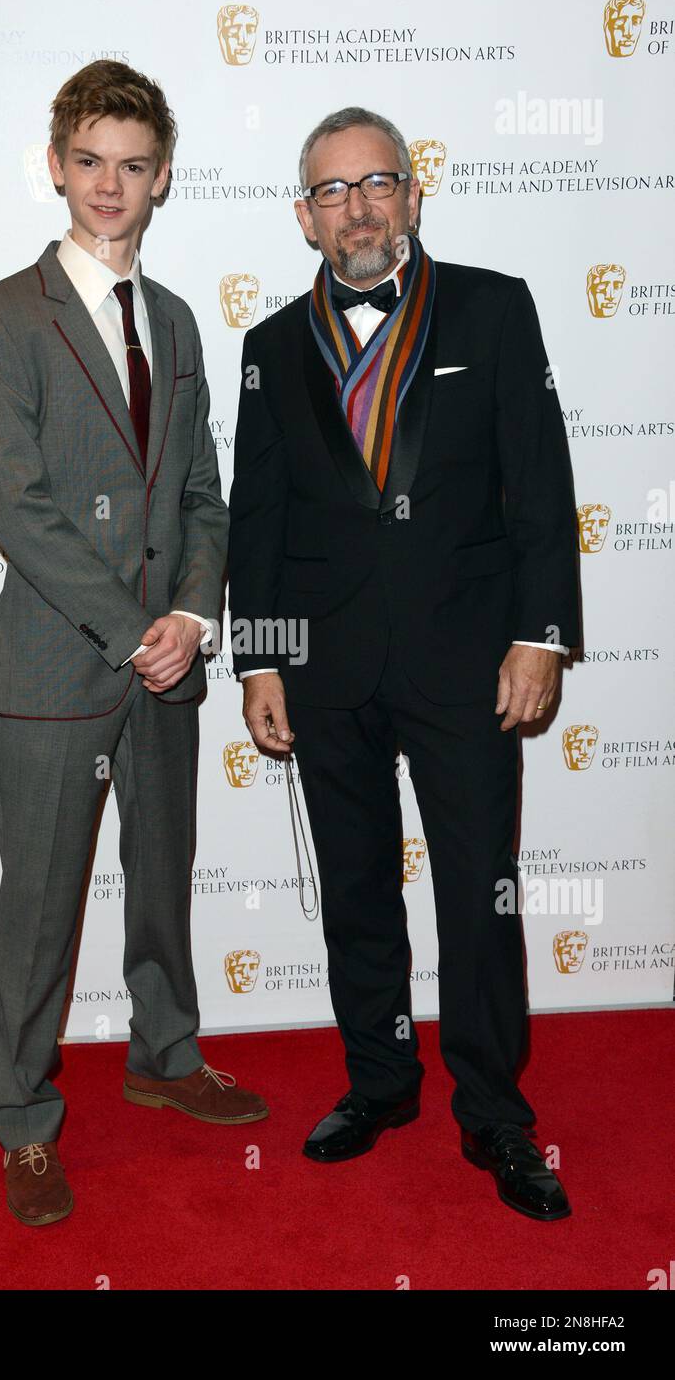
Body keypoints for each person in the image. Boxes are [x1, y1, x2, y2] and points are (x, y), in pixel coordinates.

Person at [227, 106, 580, 1221]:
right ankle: (378, 1081)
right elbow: (260, 523)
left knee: (479, 891)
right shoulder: (271, 348)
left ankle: (493, 1112)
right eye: (331, 191)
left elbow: (537, 482)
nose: (357, 207)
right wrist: (260, 662)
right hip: (325, 670)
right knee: (357, 890)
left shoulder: (493, 305)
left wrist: (539, 634)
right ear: (303, 217)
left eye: (375, 182)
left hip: (467, 662)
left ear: (412, 196)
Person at [0, 59, 267, 1228]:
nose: (110, 183)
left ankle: (164, 1053)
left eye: (133, 165)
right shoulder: (2, 318)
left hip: (165, 667)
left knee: (162, 878)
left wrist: (189, 618)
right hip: (55, 665)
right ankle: (22, 1119)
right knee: (39, 900)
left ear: (162, 179)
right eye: (89, 160)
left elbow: (200, 490)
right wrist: (135, 626)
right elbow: (20, 508)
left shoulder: (179, 321)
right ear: (55, 165)